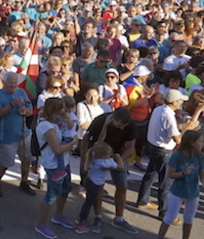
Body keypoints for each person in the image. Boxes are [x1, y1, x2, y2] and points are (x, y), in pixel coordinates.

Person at [136, 90, 192, 220]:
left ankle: (142, 200)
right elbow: (177, 139)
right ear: (174, 102)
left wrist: (182, 125)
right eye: (180, 100)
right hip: (163, 151)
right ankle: (165, 212)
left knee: (150, 174)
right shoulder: (168, 116)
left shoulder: (159, 109)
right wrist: (187, 128)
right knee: (166, 182)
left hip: (153, 146)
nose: (181, 103)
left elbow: (168, 128)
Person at [82, 108, 138, 234]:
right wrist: (84, 160)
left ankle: (119, 218)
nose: (122, 128)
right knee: (98, 186)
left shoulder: (130, 125)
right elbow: (87, 138)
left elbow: (130, 147)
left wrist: (117, 162)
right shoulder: (101, 120)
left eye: (125, 126)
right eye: (120, 125)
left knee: (122, 186)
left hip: (117, 155)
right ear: (113, 119)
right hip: (99, 155)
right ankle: (97, 216)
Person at [33, 98, 78, 239]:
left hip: (63, 162)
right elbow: (57, 150)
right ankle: (41, 224)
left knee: (65, 190)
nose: (65, 111)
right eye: (62, 108)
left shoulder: (53, 122)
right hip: (53, 165)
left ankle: (59, 216)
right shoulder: (46, 126)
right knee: (51, 195)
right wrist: (74, 142)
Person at [0, 71, 35, 197]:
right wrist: (12, 105)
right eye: (11, 83)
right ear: (4, 83)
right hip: (6, 137)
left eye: (15, 82)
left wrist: (25, 110)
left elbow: (31, 110)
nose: (14, 85)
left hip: (24, 134)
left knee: (26, 160)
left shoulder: (21, 92)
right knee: (5, 163)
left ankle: (24, 181)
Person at [156, 130, 204, 239]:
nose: (202, 144)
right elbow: (171, 175)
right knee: (169, 217)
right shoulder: (177, 156)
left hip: (193, 192)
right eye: (200, 142)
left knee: (189, 219)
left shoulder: (201, 157)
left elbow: (202, 175)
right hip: (177, 192)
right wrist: (183, 173)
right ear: (192, 143)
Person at [75, 142, 123, 234]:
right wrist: (117, 156)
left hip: (89, 180)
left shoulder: (93, 155)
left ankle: (80, 218)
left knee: (87, 202)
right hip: (95, 184)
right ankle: (81, 224)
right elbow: (120, 167)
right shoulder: (106, 162)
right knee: (88, 203)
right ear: (105, 154)